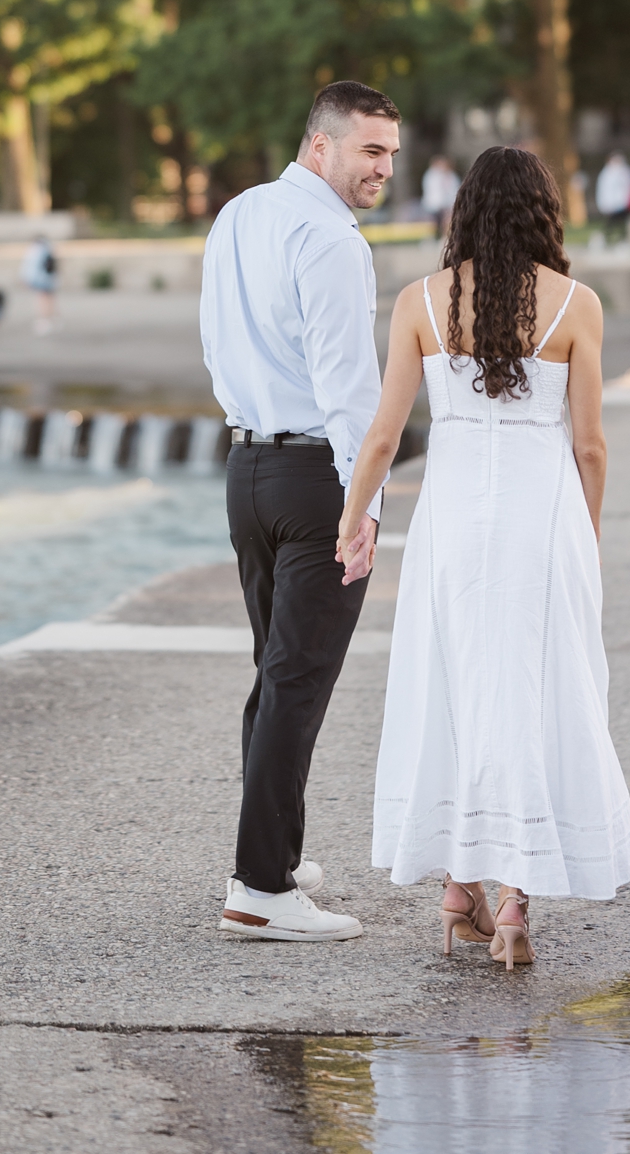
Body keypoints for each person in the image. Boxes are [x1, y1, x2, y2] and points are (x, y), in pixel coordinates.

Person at [338, 146, 630, 969]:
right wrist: (592, 533)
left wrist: (354, 517)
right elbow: (590, 447)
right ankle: (513, 907)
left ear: (462, 212)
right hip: (543, 520)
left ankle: (454, 888)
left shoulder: (420, 303)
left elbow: (382, 435)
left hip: (452, 522)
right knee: (537, 691)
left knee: (453, 683)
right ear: (545, 213)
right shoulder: (578, 305)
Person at [200, 79, 401, 943]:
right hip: (318, 477)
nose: (383, 168)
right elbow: (351, 389)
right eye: (369, 150)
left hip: (246, 467)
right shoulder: (330, 239)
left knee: (275, 676)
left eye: (391, 153)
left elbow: (214, 340)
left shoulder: (239, 213)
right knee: (297, 681)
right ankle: (260, 892)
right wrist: (366, 507)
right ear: (319, 146)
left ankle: (269, 855)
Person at [594, 149, 630, 242]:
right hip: (612, 204)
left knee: (622, 223)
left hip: (624, 203)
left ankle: (623, 238)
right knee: (612, 222)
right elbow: (604, 190)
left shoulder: (626, 171)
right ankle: (607, 237)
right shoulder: (607, 173)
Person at [22, 238, 59, 333]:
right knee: (49, 300)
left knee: (42, 300)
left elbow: (30, 267)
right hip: (49, 278)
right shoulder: (49, 249)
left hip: (40, 279)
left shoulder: (35, 251)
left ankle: (44, 321)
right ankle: (51, 319)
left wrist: (27, 279)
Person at [419, 154, 460, 238]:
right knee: (432, 224)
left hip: (447, 205)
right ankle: (431, 237)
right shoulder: (431, 175)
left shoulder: (451, 176)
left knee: (448, 221)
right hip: (433, 205)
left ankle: (445, 237)